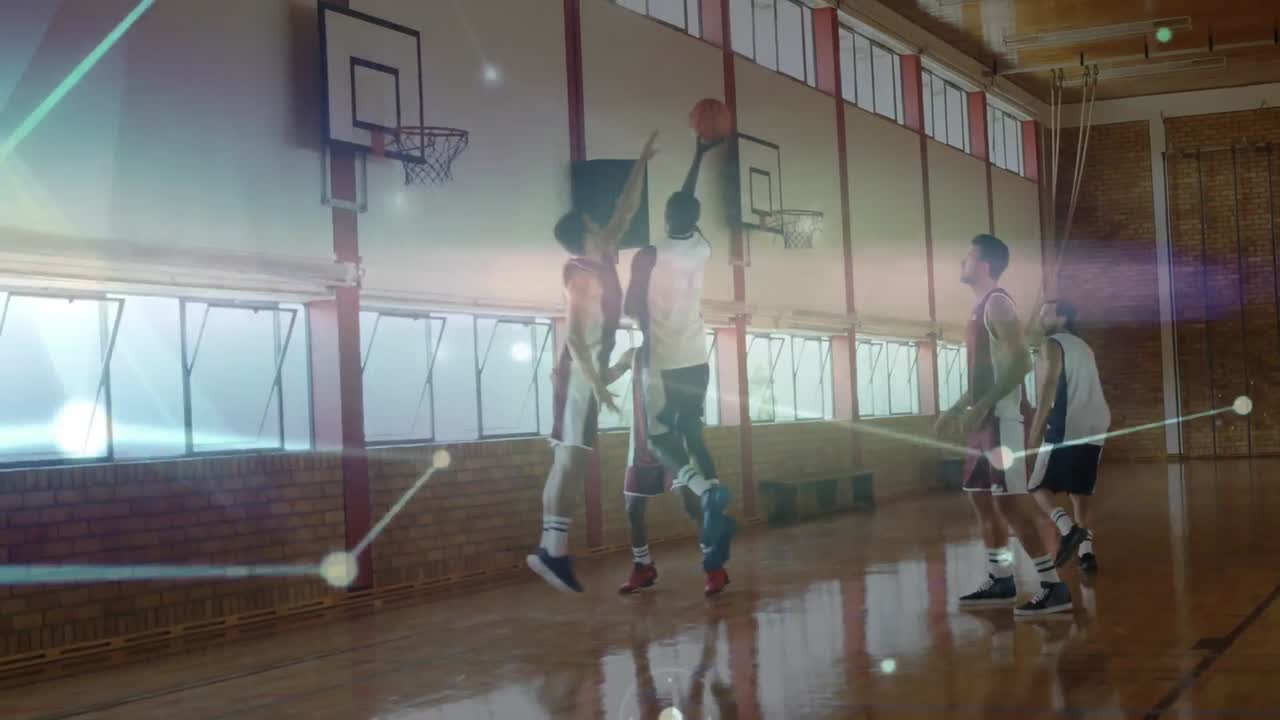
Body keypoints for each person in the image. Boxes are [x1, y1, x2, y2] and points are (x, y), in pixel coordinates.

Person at [527, 131, 658, 593]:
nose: (605, 224)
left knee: (568, 460)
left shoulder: (603, 257)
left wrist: (641, 160)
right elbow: (577, 338)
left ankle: (550, 548)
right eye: (593, 222)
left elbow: (624, 208)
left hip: (584, 374)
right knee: (572, 461)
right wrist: (598, 385)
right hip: (580, 374)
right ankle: (552, 553)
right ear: (585, 235)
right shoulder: (581, 276)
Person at [618, 137, 736, 598]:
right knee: (690, 431)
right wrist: (700, 156)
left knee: (660, 436)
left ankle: (707, 501)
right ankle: (709, 491)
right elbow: (686, 207)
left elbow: (632, 310)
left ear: (665, 219)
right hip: (697, 359)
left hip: (664, 361)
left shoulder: (647, 255)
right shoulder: (702, 247)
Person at [935, 234, 1073, 617]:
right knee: (980, 499)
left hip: (1001, 422)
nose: (963, 261)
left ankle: (1053, 587)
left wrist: (983, 405)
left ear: (984, 264)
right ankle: (1001, 578)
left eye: (968, 256)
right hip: (984, 420)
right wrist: (957, 406)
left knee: (1011, 506)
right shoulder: (978, 308)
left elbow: (1020, 364)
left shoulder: (997, 304)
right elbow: (985, 374)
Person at [1027, 299, 1110, 574]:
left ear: (1062, 318)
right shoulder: (1084, 346)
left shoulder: (1053, 342)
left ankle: (1067, 529)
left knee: (1037, 486)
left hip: (1068, 423)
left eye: (1045, 313)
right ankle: (1087, 554)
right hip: (1096, 424)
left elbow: (1050, 383)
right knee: (1081, 493)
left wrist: (1036, 429)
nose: (1040, 317)